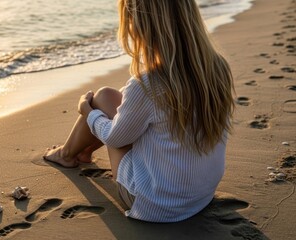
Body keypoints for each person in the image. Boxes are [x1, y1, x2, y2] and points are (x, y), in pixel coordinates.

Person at [43, 0, 234, 223]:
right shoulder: (218, 68)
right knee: (108, 97)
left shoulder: (149, 84)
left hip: (155, 203)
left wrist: (87, 112)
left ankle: (67, 154)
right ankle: (79, 152)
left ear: (141, 25)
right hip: (200, 195)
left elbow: (115, 138)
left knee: (102, 104)